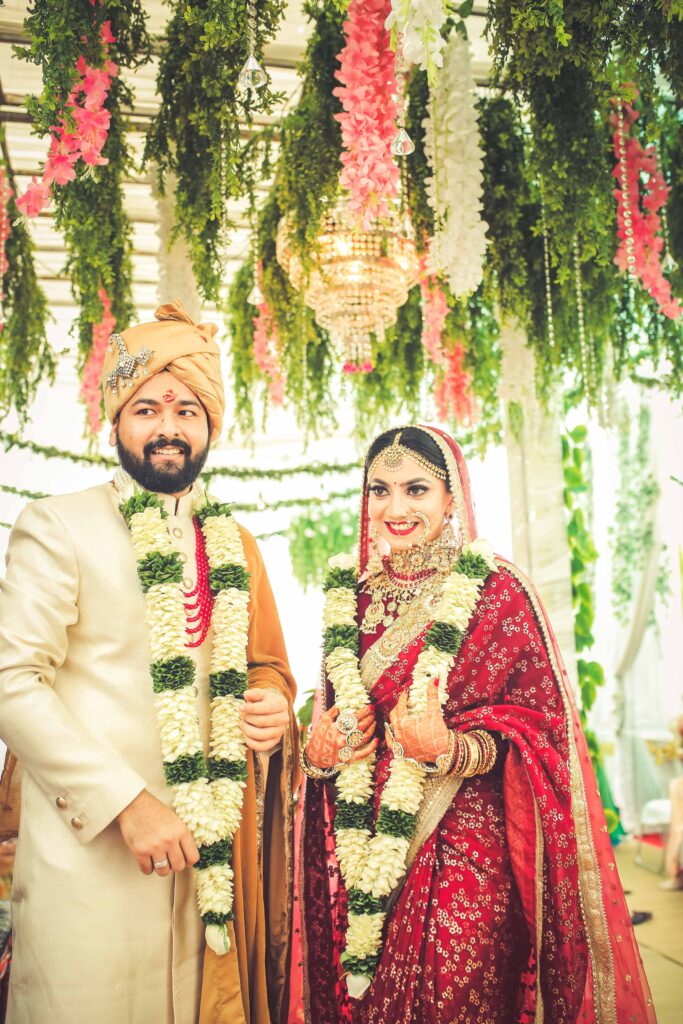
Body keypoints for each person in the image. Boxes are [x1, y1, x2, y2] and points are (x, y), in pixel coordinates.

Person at [0, 300, 298, 1024]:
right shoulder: (58, 525)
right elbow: (10, 682)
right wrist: (125, 803)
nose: (168, 426)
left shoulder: (235, 543)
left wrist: (270, 704)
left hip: (211, 861)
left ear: (210, 425)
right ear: (115, 421)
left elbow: (266, 667)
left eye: (187, 408)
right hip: (94, 856)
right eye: (147, 407)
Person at [298, 425, 656, 1024]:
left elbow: (542, 725)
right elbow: (330, 719)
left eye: (416, 489)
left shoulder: (497, 590)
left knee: (455, 996)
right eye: (379, 491)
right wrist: (322, 749)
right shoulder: (352, 599)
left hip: (469, 843)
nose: (396, 508)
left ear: (450, 495)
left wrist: (452, 747)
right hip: (365, 849)